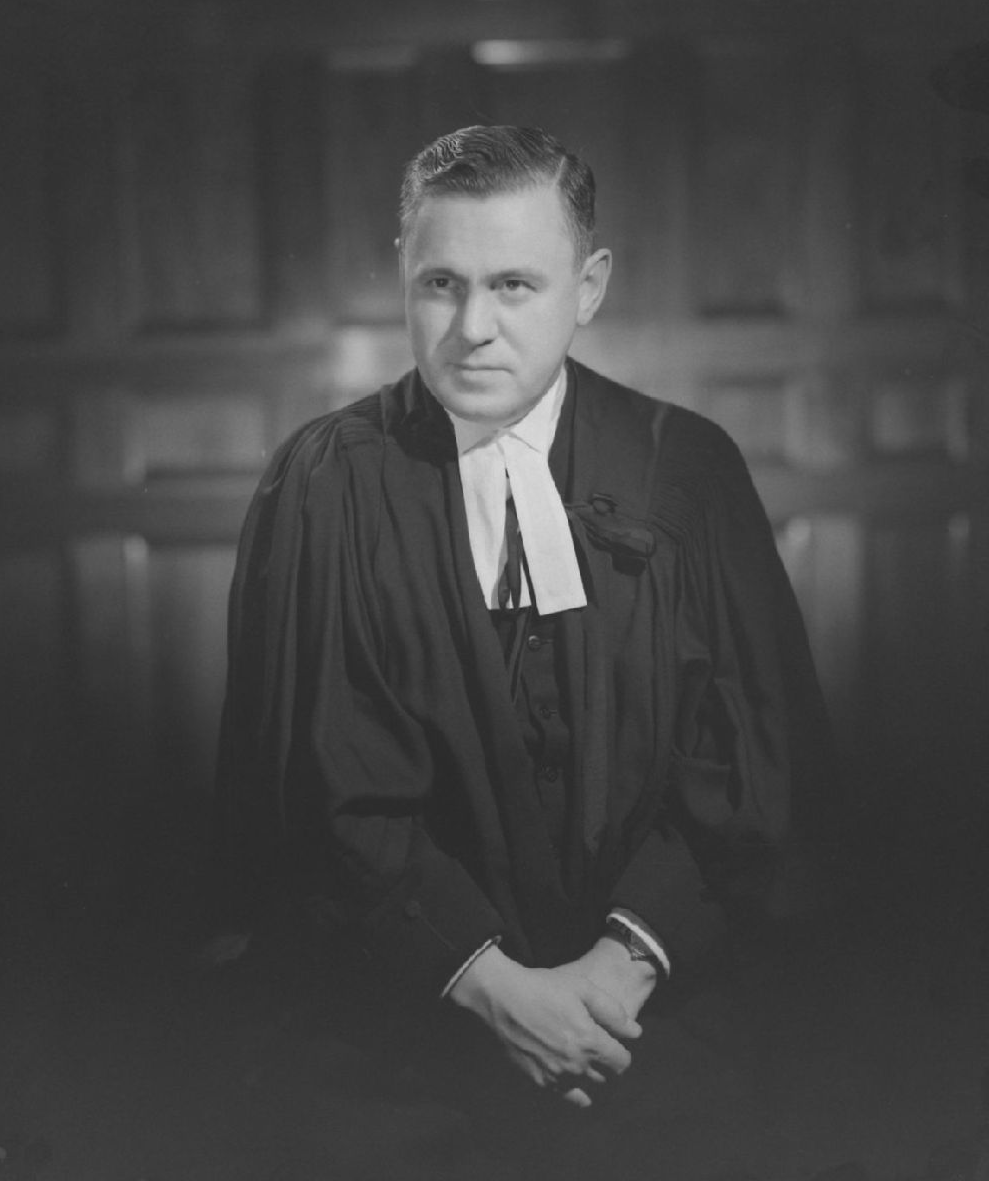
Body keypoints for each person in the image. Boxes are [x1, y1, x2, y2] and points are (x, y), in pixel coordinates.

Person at [213, 125, 832, 1150]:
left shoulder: (686, 468)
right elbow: (319, 788)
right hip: (400, 1045)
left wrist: (614, 978)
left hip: (643, 1031)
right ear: (402, 275)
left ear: (588, 288)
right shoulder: (325, 481)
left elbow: (757, 767)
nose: (472, 329)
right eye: (440, 284)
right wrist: (494, 989)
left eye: (513, 286)